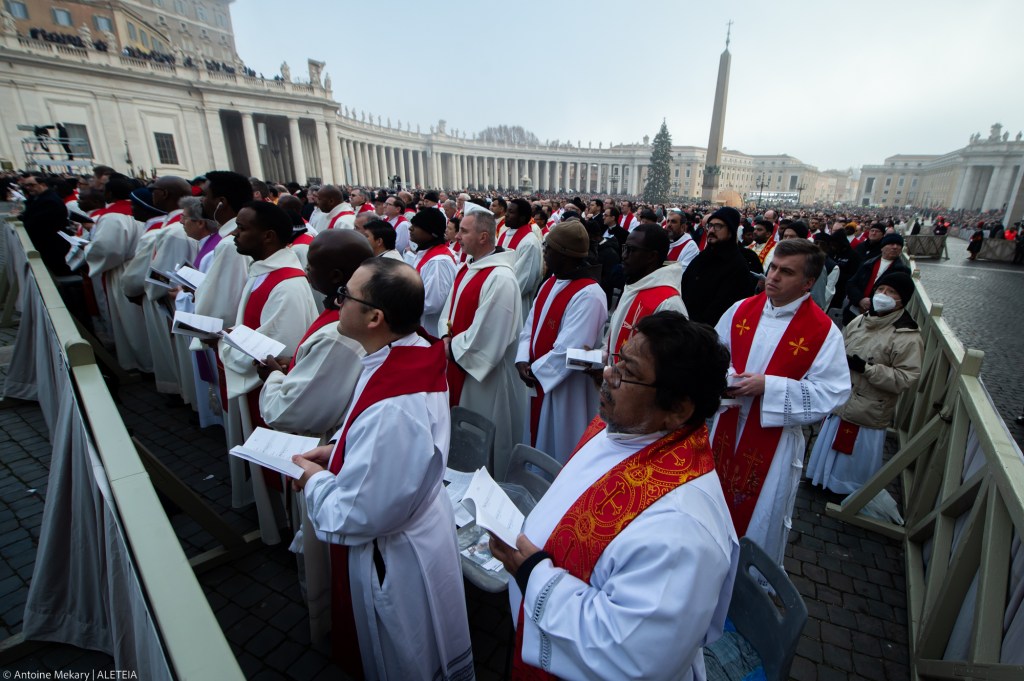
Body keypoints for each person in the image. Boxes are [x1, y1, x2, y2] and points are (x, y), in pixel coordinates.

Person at [492, 311, 739, 680]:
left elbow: (629, 654)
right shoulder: (625, 431)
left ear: (678, 409)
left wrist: (532, 574)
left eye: (628, 373)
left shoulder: (682, 532)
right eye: (616, 360)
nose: (608, 375)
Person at [292, 258, 474, 681]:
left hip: (392, 550)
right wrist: (341, 451)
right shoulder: (405, 353)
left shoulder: (394, 404)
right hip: (416, 522)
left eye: (346, 296)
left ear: (375, 317)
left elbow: (357, 514)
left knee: (399, 658)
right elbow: (395, 451)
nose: (335, 302)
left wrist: (315, 480)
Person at [711, 238, 851, 565]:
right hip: (726, 424)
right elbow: (715, 353)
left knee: (758, 518)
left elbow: (832, 392)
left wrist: (769, 387)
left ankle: (747, 585)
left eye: (785, 272)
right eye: (772, 267)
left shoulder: (823, 332)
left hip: (772, 439)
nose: (772, 276)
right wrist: (727, 376)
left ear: (808, 283)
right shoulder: (741, 310)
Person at [218, 201, 317, 544]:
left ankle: (285, 527)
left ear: (268, 236)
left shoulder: (288, 284)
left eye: (242, 228)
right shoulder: (263, 270)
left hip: (270, 386)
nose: (234, 234)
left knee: (279, 464)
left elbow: (280, 347)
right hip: (257, 384)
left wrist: (228, 344)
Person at [807, 271, 922, 494]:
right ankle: (820, 479)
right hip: (843, 400)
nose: (883, 295)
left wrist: (868, 370)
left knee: (853, 456)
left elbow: (906, 377)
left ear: (902, 299)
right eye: (880, 289)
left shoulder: (907, 335)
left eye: (891, 292)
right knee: (828, 445)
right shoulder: (860, 320)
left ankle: (847, 491)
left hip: (869, 408)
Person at [257, 229, 371, 437]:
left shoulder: (340, 334)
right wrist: (299, 363)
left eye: (311, 263)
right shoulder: (352, 312)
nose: (306, 268)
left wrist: (273, 376)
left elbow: (290, 413)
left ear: (335, 275)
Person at [438, 206, 526, 466]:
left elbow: (490, 335)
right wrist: (445, 335)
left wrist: (451, 348)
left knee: (481, 442)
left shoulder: (501, 278)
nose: (457, 237)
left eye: (464, 231)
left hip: (483, 377)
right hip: (457, 362)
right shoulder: (469, 267)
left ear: (483, 237)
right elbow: (448, 310)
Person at [515, 220, 607, 463]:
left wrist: (534, 370)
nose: (544, 253)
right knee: (537, 439)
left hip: (565, 390)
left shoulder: (589, 294)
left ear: (564, 254)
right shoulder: (550, 283)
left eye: (548, 249)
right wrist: (523, 358)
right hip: (540, 379)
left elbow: (571, 351)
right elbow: (529, 327)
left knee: (559, 449)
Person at [84, 173, 151, 373]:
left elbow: (107, 250)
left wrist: (88, 249)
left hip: (124, 270)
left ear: (109, 193)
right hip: (142, 265)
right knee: (143, 320)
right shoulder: (138, 211)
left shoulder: (112, 217)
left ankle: (141, 362)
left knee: (131, 321)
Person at [604, 224, 686, 356]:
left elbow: (669, 362)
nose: (624, 255)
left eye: (632, 250)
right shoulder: (634, 285)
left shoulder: (668, 304)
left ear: (652, 256)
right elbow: (615, 335)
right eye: (625, 248)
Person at [681, 207, 757, 326]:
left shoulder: (737, 266)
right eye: (710, 225)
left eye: (718, 226)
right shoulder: (702, 257)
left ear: (731, 231)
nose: (711, 230)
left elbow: (722, 309)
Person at [407, 209, 457, 334]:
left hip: (430, 330)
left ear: (431, 232)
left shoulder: (438, 262)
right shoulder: (427, 253)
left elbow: (432, 302)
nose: (410, 228)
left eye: (416, 226)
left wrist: (399, 302)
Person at [844, 233, 910, 324]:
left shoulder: (902, 271)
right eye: (891, 244)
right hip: (855, 311)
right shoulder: (868, 263)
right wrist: (860, 299)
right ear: (882, 247)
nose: (895, 247)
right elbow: (851, 283)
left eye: (898, 245)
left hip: (878, 317)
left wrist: (871, 303)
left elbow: (899, 296)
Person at [497, 198, 544, 321]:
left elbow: (523, 281)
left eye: (511, 212)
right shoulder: (504, 234)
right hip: (498, 298)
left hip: (516, 303)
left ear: (522, 218)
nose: (506, 214)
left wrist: (496, 294)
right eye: (507, 210)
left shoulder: (529, 243)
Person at [665, 208, 700, 275]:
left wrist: (662, 262)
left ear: (683, 227)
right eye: (668, 221)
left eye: (673, 222)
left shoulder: (691, 246)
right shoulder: (664, 240)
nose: (669, 225)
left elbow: (682, 270)